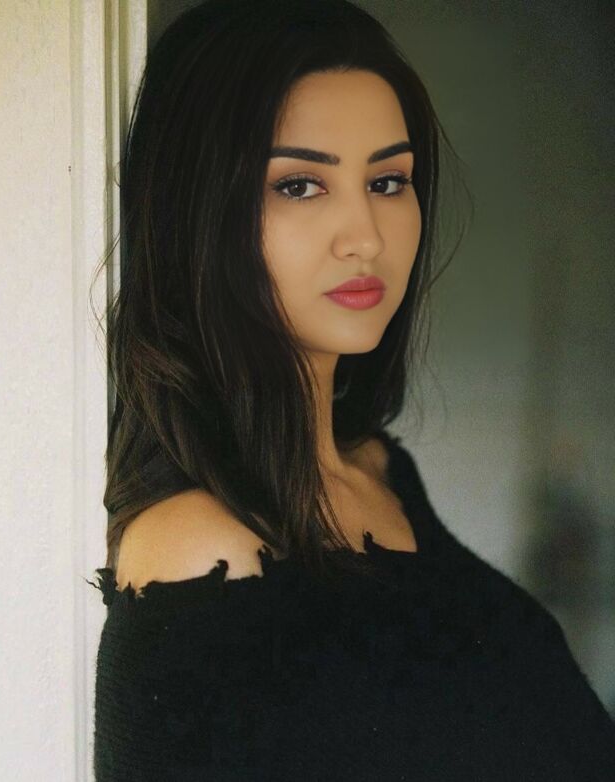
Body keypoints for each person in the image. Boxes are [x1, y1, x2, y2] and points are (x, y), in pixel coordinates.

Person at [87, 0, 615, 779]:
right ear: (197, 211)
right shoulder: (201, 557)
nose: (366, 235)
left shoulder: (381, 469)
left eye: (388, 180)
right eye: (300, 185)